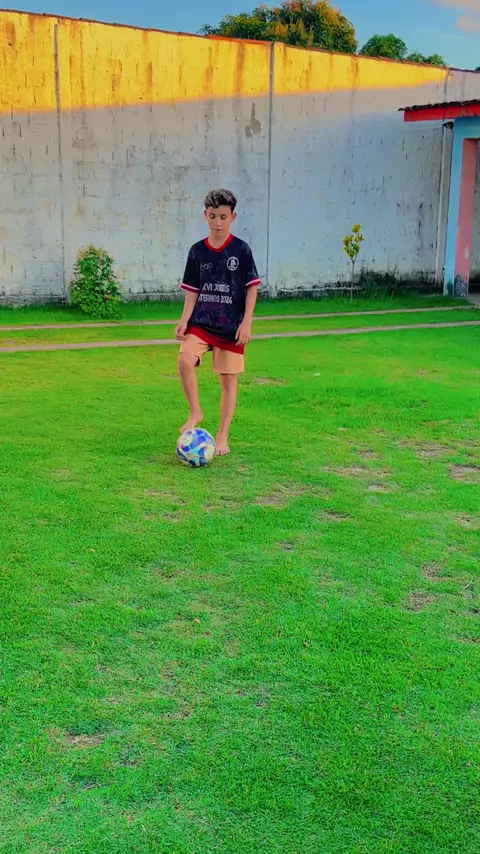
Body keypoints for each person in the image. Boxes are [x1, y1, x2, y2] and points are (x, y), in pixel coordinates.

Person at [176, 189, 261, 456]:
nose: (218, 222)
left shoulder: (241, 250)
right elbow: (192, 290)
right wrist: (184, 319)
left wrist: (247, 323)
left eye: (223, 217)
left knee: (228, 382)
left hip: (230, 325)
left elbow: (252, 288)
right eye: (213, 216)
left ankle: (222, 437)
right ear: (206, 215)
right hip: (201, 321)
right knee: (184, 360)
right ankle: (196, 411)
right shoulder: (197, 251)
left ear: (232, 217)